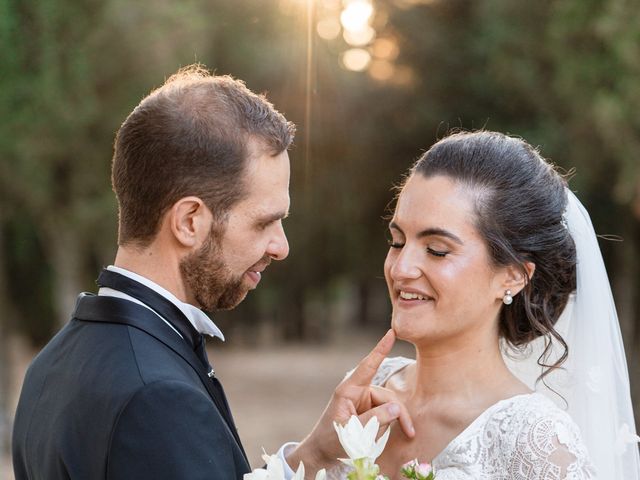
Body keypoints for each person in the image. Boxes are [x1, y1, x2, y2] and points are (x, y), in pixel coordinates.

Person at [11, 65, 415, 480]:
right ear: (189, 221)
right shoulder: (157, 397)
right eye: (263, 223)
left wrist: (311, 457)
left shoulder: (52, 364)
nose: (281, 246)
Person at [328, 131, 640, 479]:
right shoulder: (365, 398)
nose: (400, 268)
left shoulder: (535, 444)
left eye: (437, 250)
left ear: (513, 276)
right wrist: (315, 453)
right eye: (397, 241)